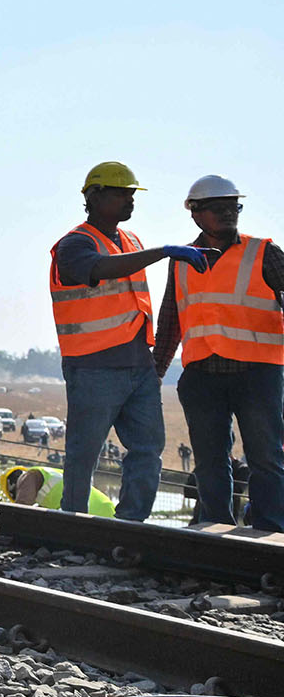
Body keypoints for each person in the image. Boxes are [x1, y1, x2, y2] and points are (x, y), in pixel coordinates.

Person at [49, 162, 208, 521]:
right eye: (121, 193)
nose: (129, 200)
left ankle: (130, 525)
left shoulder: (131, 240)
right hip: (94, 367)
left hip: (138, 365)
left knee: (148, 450)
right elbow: (99, 268)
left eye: (132, 194)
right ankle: (72, 524)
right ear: (94, 196)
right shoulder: (75, 244)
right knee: (84, 454)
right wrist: (163, 252)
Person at [151, 175, 284, 532]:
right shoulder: (181, 260)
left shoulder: (264, 252)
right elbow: (170, 320)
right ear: (195, 213)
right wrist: (156, 373)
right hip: (202, 375)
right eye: (218, 207)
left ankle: (271, 532)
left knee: (266, 458)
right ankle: (214, 531)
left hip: (258, 374)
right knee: (209, 462)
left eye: (233, 207)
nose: (228, 213)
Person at [0, 466, 117, 518]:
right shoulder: (47, 475)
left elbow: (21, 508)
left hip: (91, 513)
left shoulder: (28, 477)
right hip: (105, 511)